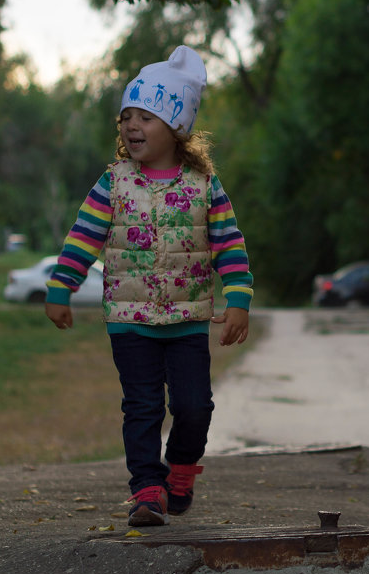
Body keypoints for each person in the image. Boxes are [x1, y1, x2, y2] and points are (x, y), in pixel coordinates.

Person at [44, 45, 252, 527]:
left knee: (193, 407)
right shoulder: (113, 183)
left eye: (146, 116)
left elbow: (229, 244)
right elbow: (84, 236)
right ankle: (147, 490)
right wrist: (61, 286)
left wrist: (238, 300)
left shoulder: (204, 185)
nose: (132, 126)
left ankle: (180, 471)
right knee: (140, 407)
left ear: (176, 127)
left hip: (185, 322)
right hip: (129, 321)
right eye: (126, 116)